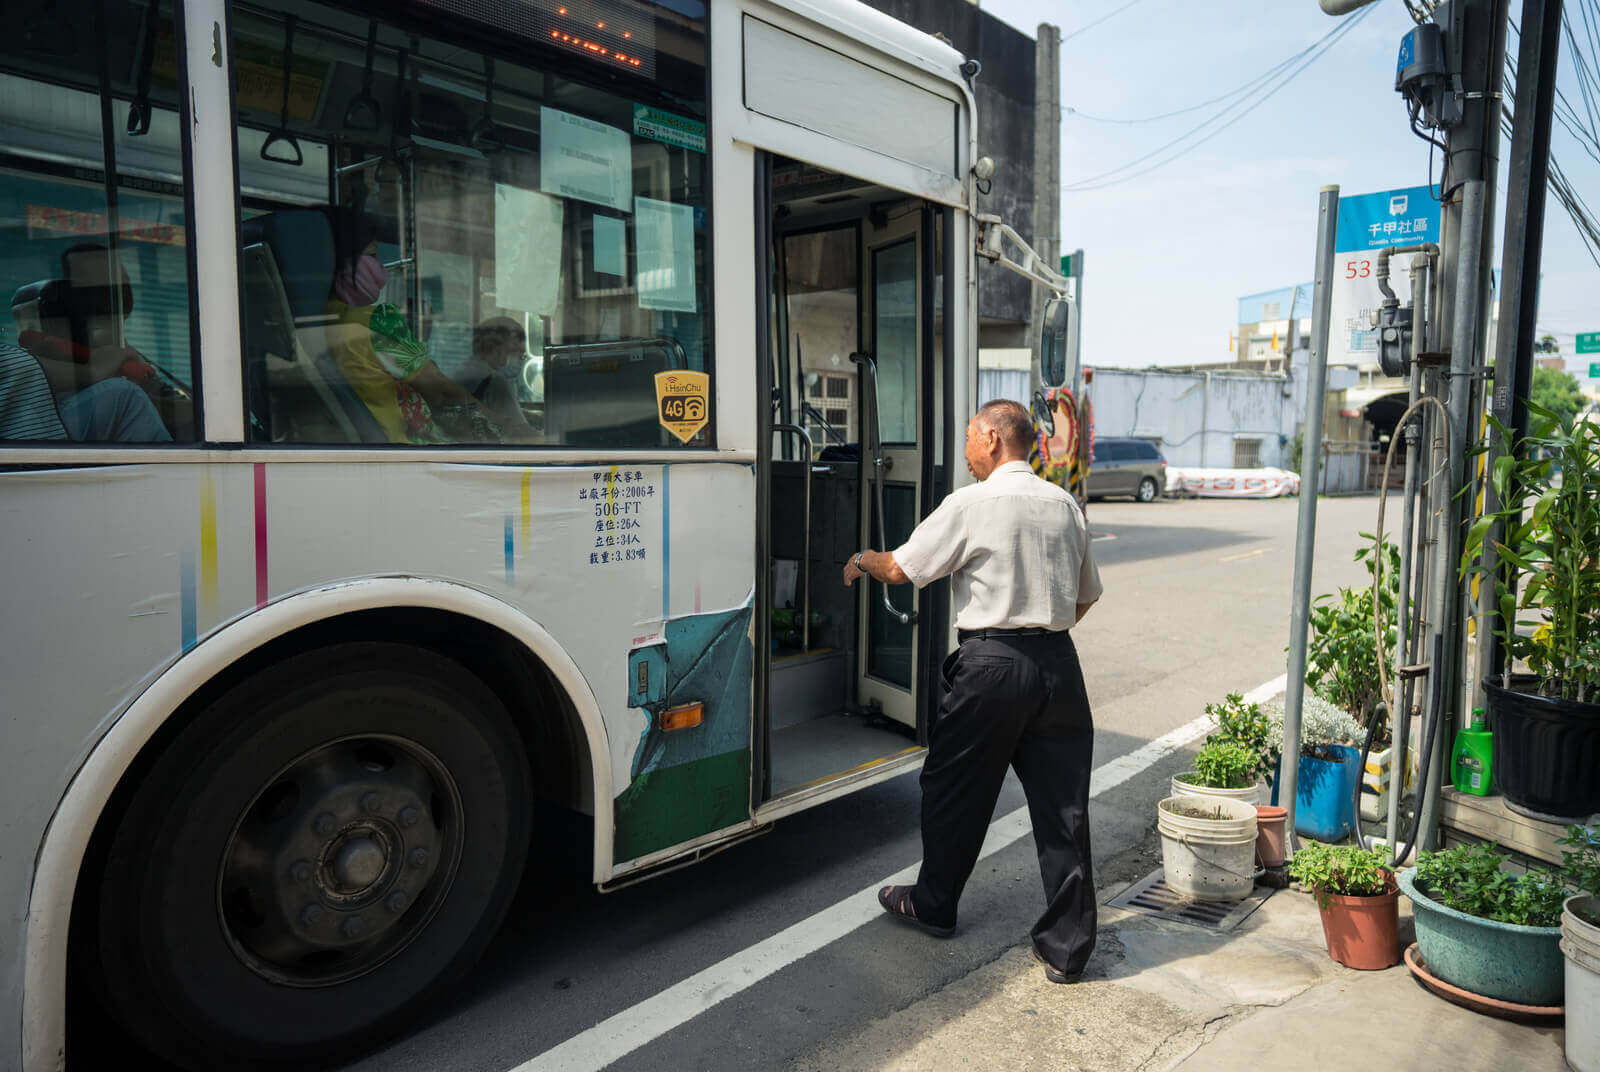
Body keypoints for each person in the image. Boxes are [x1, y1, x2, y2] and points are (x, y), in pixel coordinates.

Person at [843, 397, 1103, 984]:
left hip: (991, 666)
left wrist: (861, 558)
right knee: (1064, 810)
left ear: (991, 438)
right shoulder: (1065, 505)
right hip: (1059, 666)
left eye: (967, 437)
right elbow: (1086, 596)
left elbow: (903, 568)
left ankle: (935, 904)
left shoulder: (972, 503)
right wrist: (1040, 635)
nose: (964, 451)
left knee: (950, 786)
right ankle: (1068, 950)